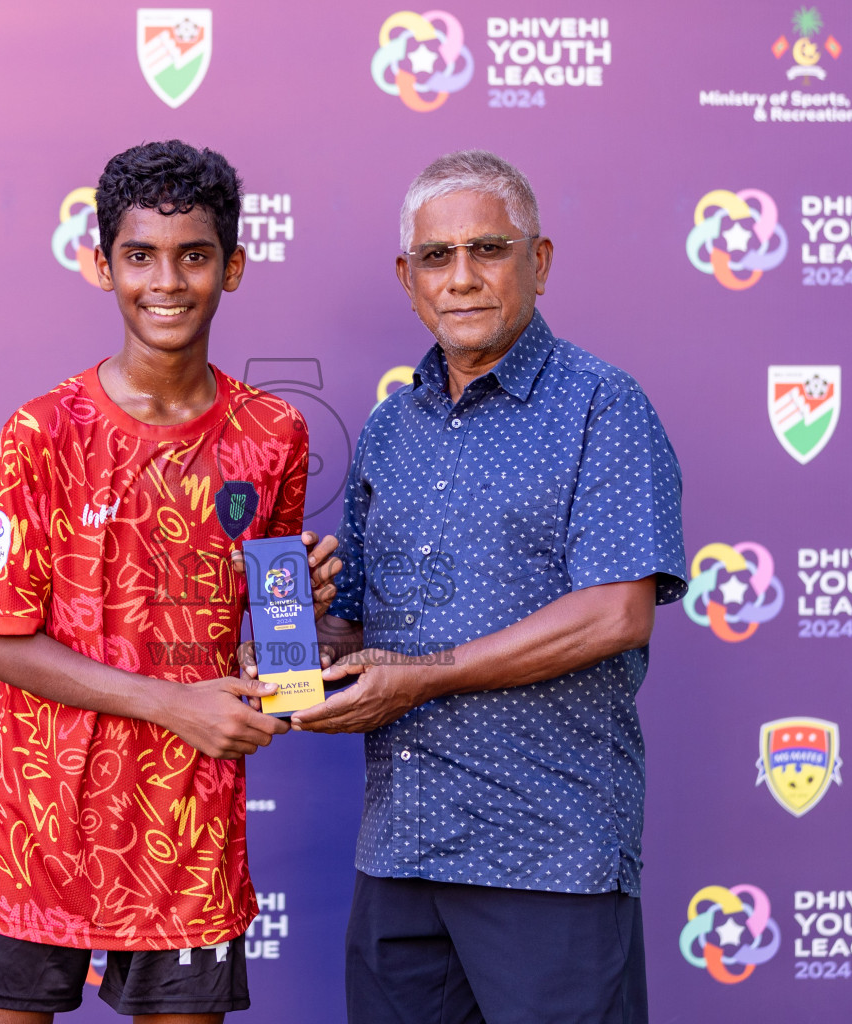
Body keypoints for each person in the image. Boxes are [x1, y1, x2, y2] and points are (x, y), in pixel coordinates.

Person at [0, 140, 333, 1024]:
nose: (168, 280)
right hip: (35, 829)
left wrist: (297, 623)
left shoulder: (274, 434)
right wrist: (173, 703)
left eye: (194, 255)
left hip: (184, 832)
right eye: (140, 256)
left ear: (233, 268)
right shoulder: (41, 431)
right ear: (102, 265)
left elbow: (274, 662)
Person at [301, 151, 687, 1024]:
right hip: (400, 854)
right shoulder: (391, 428)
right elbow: (361, 631)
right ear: (408, 280)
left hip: (545, 854)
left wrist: (425, 677)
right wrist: (297, 644)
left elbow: (616, 614)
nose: (463, 277)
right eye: (437, 258)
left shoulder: (603, 405)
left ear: (539, 263)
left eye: (489, 249)